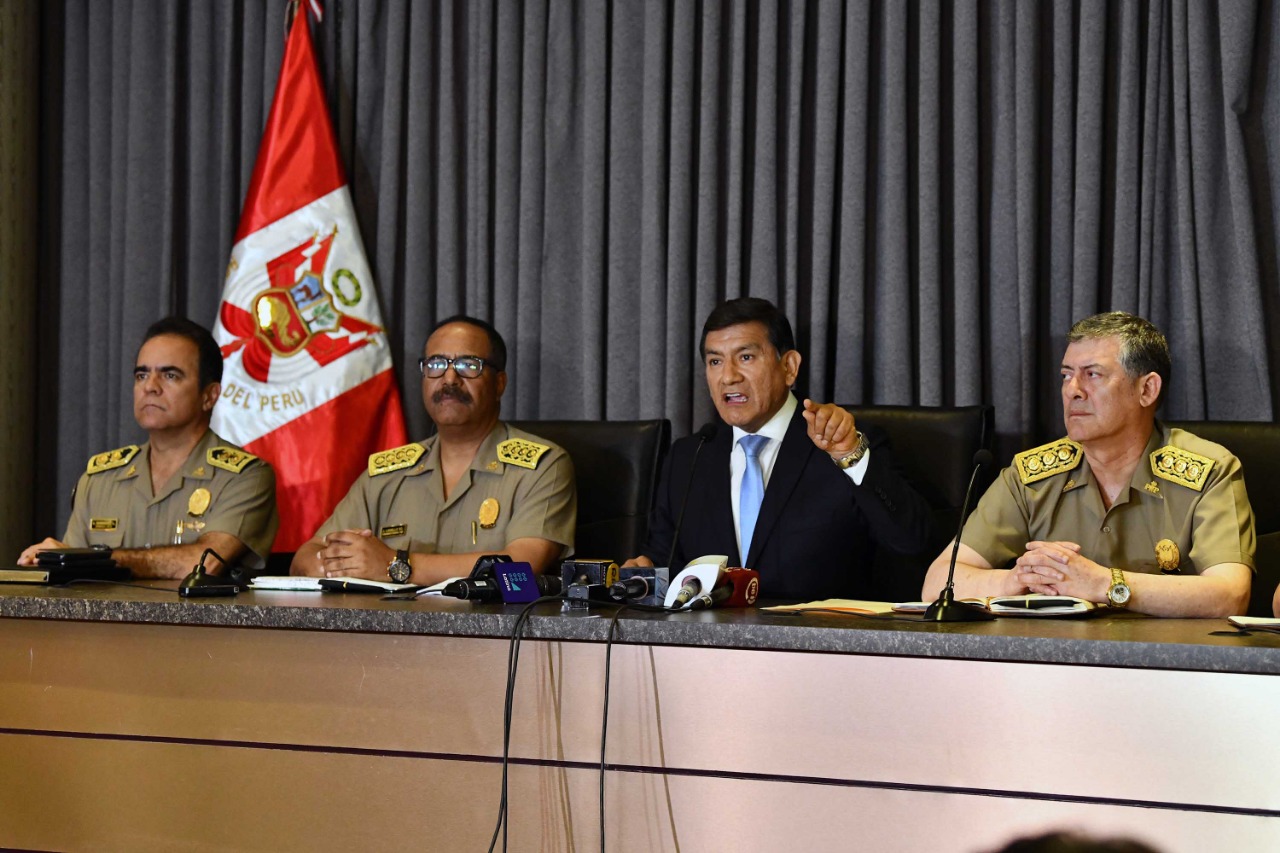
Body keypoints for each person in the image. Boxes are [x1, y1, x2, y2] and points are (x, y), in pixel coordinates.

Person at [922, 312, 1253, 617]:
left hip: (1170, 668)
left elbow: (1230, 594)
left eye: (1093, 375)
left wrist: (1103, 584)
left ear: (1147, 389)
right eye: (1066, 376)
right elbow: (937, 582)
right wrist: (1018, 580)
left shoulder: (1209, 470)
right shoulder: (1031, 475)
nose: (1072, 391)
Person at [624, 297, 934, 601]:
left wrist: (850, 455)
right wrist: (646, 571)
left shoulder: (842, 443)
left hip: (820, 644)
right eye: (715, 361)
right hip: (708, 646)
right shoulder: (689, 456)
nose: (728, 376)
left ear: (789, 367)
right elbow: (664, 558)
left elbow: (913, 542)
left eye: (745, 357)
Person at [291, 315, 575, 584]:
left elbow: (522, 569)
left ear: (499, 383)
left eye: (468, 365)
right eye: (436, 365)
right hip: (386, 633)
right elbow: (305, 556)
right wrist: (333, 564)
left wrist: (394, 565)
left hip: (495, 633)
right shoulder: (387, 473)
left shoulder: (542, 466)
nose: (449, 379)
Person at [18, 317, 278, 578]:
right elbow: (70, 576)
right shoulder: (99, 478)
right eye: (142, 375)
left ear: (209, 396)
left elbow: (202, 564)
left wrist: (95, 559)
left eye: (170, 375)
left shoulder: (244, 477)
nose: (150, 387)